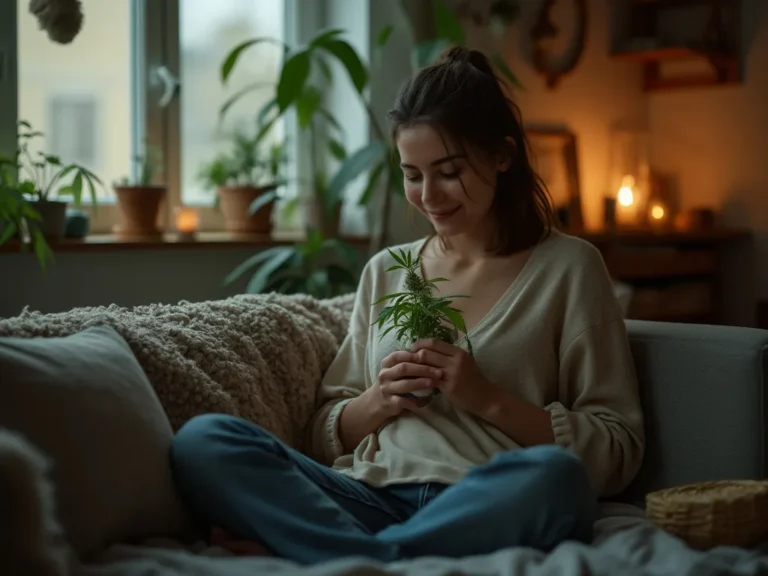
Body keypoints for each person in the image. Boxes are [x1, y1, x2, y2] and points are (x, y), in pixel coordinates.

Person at [170, 46, 645, 566]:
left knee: (560, 481)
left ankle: (349, 558)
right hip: (367, 498)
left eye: (448, 171)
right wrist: (380, 399)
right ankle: (381, 556)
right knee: (204, 441)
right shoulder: (387, 270)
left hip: (487, 501)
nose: (428, 195)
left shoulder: (571, 268)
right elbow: (325, 429)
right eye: (412, 174)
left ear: (503, 157)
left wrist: (485, 398)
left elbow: (617, 448)